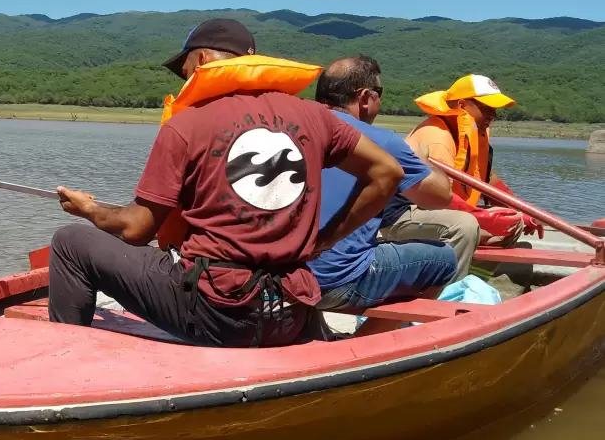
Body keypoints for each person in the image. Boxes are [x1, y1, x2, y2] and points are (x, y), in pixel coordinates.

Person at [47, 19, 404, 348]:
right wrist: (324, 241)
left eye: (184, 71)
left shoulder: (188, 124)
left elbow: (137, 229)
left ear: (201, 59)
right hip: (291, 310)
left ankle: (66, 364)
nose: (184, 82)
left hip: (219, 315)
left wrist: (89, 208)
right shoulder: (316, 117)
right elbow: (387, 172)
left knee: (70, 242)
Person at [308, 56, 463, 315]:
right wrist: (420, 158)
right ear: (366, 97)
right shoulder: (384, 142)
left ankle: (316, 327)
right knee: (444, 259)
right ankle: (367, 341)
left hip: (287, 274)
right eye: (379, 94)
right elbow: (439, 197)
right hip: (338, 282)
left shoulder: (293, 128)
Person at [391, 75, 544, 247]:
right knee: (468, 225)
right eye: (486, 108)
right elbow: (437, 196)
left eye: (495, 109)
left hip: (441, 209)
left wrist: (523, 211)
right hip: (406, 214)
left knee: (513, 223)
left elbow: (487, 181)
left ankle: (478, 270)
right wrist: (482, 217)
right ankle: (453, 272)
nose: (493, 115)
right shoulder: (437, 137)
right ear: (462, 105)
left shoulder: (473, 134)